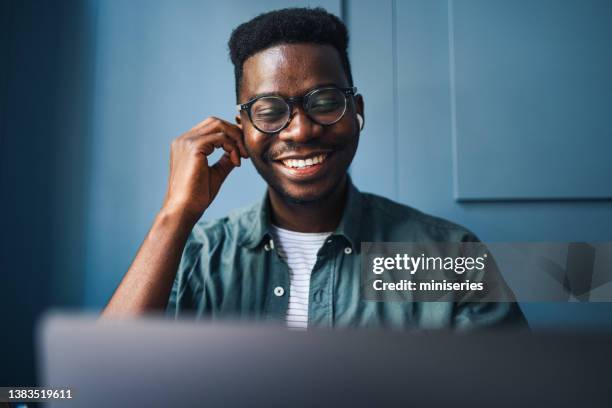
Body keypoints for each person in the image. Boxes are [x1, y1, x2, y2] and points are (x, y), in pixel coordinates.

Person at [102, 7, 527, 330]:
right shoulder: (194, 258)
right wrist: (174, 216)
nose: (301, 130)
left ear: (356, 111)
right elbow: (87, 391)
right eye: (269, 111)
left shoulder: (448, 257)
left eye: (324, 102)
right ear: (242, 131)